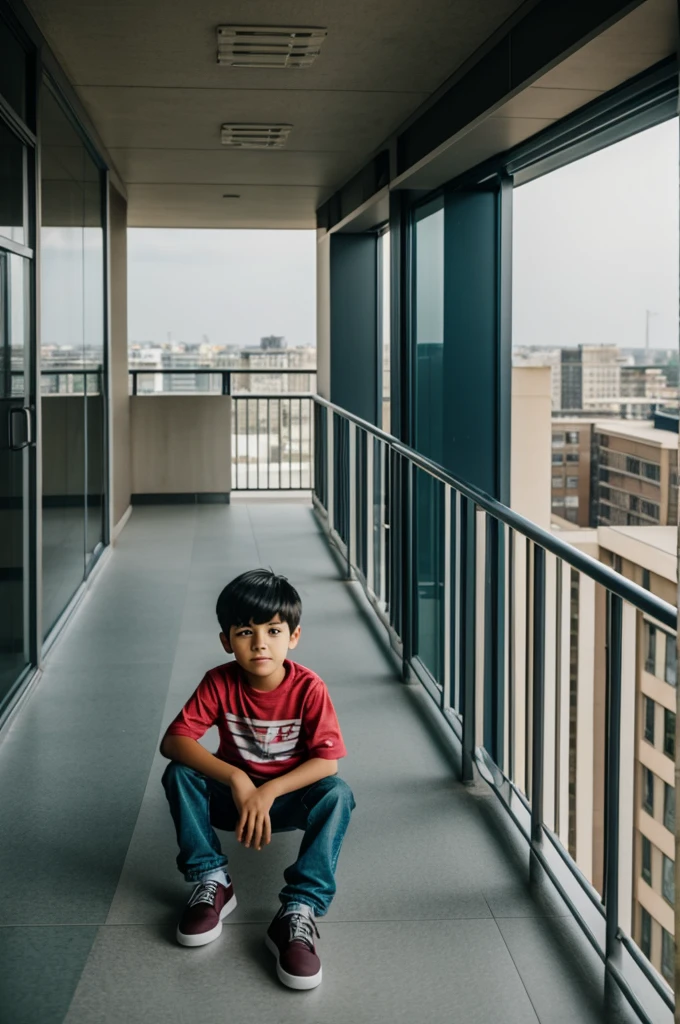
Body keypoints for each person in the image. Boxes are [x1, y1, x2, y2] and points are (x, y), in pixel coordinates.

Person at [160, 568, 355, 991]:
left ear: (294, 636)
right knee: (180, 774)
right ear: (226, 641)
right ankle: (213, 880)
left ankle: (298, 911)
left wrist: (267, 789)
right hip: (235, 800)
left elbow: (328, 763)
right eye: (246, 632)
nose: (260, 643)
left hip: (287, 800)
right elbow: (174, 741)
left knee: (337, 795)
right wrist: (237, 779)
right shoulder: (219, 681)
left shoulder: (309, 688)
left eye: (273, 630)